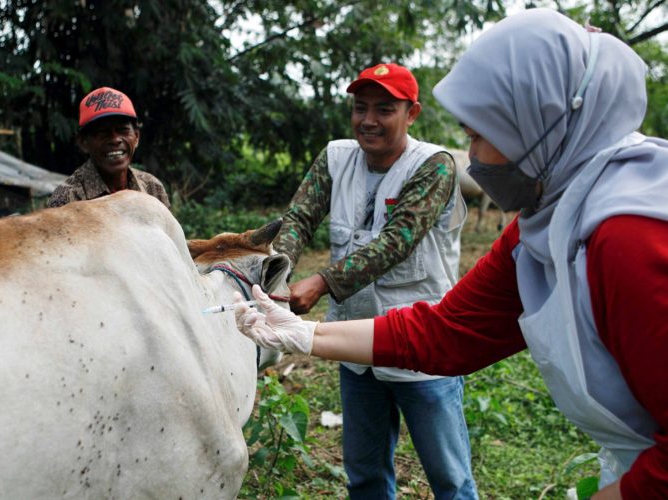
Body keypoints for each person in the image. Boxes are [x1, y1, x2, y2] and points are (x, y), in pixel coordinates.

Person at [235, 8, 668, 499]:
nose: (475, 159)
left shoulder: (629, 239)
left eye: (480, 136)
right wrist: (305, 334)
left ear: (539, 127)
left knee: (450, 477)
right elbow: (447, 330)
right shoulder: (543, 229)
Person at [271, 62, 477, 499]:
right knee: (364, 476)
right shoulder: (335, 157)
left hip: (423, 348)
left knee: (450, 480)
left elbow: (397, 241)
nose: (368, 120)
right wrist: (279, 272)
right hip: (357, 346)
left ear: (412, 113)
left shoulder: (434, 166)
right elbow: (299, 218)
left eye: (384, 109)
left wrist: (320, 281)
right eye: (360, 107)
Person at [47, 87, 170, 208]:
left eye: (123, 130)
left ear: (136, 137)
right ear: (83, 143)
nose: (115, 139)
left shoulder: (152, 188)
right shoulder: (66, 200)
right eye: (102, 132)